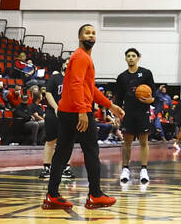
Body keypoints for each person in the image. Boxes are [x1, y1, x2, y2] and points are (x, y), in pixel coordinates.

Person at [43, 25, 122, 211]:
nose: (91, 35)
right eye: (87, 33)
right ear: (79, 37)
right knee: (91, 151)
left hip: (67, 110)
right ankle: (95, 195)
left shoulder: (83, 57)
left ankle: (52, 195)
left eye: (94, 33)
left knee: (62, 153)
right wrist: (82, 111)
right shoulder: (80, 57)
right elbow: (77, 84)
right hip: (77, 111)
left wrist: (110, 105)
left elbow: (90, 89)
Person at [114, 48, 155, 185]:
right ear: (125, 59)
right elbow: (118, 98)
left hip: (143, 112)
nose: (131, 58)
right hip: (128, 112)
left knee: (144, 142)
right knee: (127, 142)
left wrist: (150, 100)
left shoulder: (146, 73)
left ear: (138, 58)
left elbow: (153, 95)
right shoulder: (122, 77)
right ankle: (125, 169)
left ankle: (144, 169)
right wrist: (116, 114)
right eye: (128, 56)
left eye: (133, 56)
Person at [38, 70, 73, 181]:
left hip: (69, 112)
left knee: (67, 141)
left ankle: (66, 168)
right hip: (53, 112)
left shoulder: (75, 78)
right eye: (66, 62)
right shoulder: (55, 78)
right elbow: (48, 93)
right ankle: (47, 167)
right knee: (50, 140)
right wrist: (56, 107)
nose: (68, 64)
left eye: (70, 62)